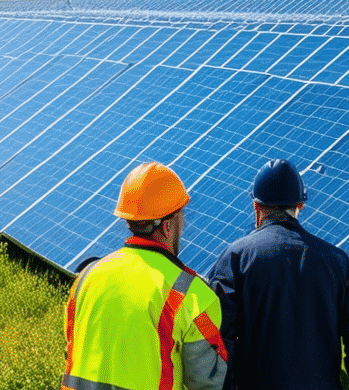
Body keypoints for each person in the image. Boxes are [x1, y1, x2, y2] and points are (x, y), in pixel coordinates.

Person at [208, 158, 349, 390]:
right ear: (300, 205)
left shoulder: (235, 258)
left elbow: (217, 342)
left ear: (256, 208)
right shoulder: (338, 263)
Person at [63, 162, 228, 390]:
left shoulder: (87, 277)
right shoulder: (191, 296)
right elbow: (208, 382)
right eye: (182, 215)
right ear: (168, 226)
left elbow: (72, 349)